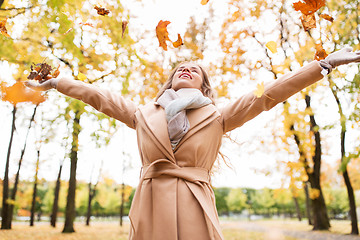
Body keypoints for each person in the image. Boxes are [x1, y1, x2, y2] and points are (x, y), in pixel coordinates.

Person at [26, 47, 360, 240]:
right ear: (171, 80)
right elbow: (99, 97)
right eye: (180, 68)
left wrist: (324, 64)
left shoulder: (220, 115)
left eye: (194, 69)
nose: (186, 69)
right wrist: (57, 82)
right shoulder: (142, 113)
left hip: (195, 203)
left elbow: (269, 94)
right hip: (151, 202)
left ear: (204, 84)